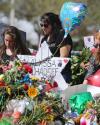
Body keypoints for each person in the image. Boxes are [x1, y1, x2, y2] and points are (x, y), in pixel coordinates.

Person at [40, 12, 73, 83]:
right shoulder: (44, 39)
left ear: (54, 24)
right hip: (46, 75)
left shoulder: (63, 35)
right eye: (41, 25)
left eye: (46, 25)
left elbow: (63, 58)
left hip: (62, 76)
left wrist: (52, 73)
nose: (43, 27)